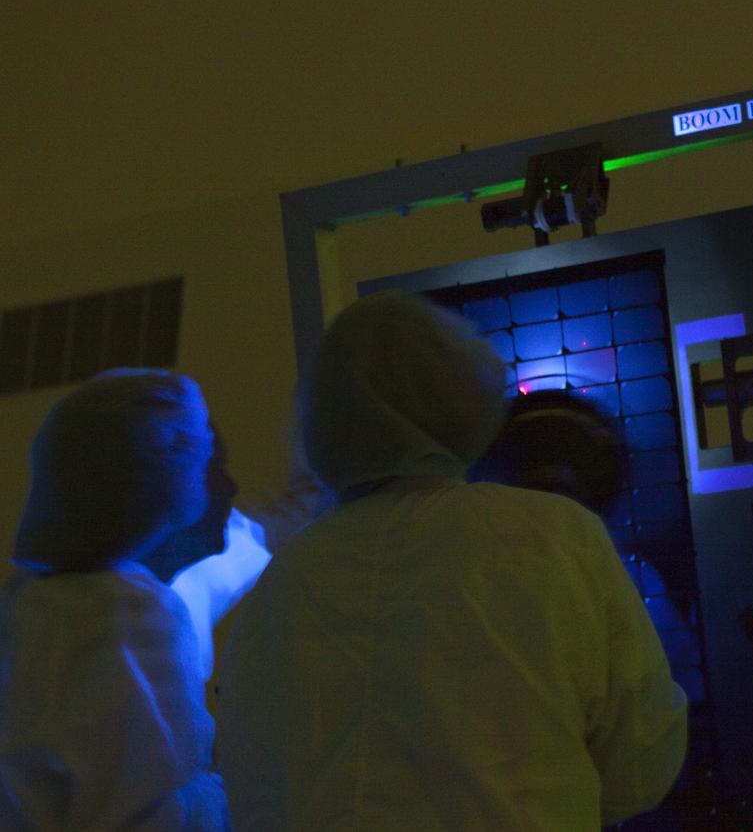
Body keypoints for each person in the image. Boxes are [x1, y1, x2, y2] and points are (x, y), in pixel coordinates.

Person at [219, 291, 688, 831]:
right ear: (469, 399)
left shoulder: (283, 581)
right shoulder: (551, 536)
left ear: (321, 420)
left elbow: (250, 782)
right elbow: (641, 764)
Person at [0, 369, 234, 831]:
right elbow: (146, 809)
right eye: (207, 461)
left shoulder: (28, 606)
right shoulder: (126, 612)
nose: (226, 485)